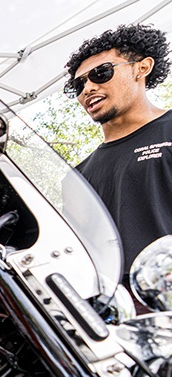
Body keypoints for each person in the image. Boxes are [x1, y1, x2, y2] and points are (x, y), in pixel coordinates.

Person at [64, 24, 171, 304]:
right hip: (115, 317)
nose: (88, 88)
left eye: (101, 73)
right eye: (79, 84)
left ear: (142, 68)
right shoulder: (76, 177)